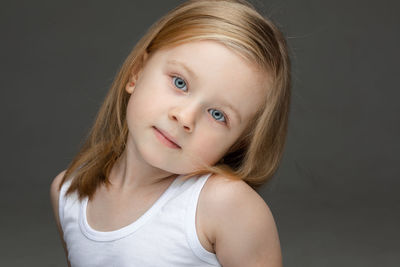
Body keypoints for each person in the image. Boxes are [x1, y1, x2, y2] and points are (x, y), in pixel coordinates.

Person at [50, 0, 291, 266]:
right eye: (180, 82)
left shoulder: (225, 206)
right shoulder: (68, 193)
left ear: (238, 144)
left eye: (218, 115)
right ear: (136, 73)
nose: (185, 117)